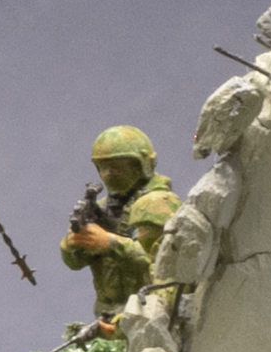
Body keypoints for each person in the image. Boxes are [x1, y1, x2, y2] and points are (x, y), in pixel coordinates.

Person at [58, 125, 181, 334]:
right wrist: (73, 244)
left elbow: (164, 268)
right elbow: (74, 262)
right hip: (109, 319)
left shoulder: (156, 204)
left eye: (117, 167)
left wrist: (109, 243)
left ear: (141, 165)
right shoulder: (104, 208)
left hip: (151, 318)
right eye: (103, 167)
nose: (108, 174)